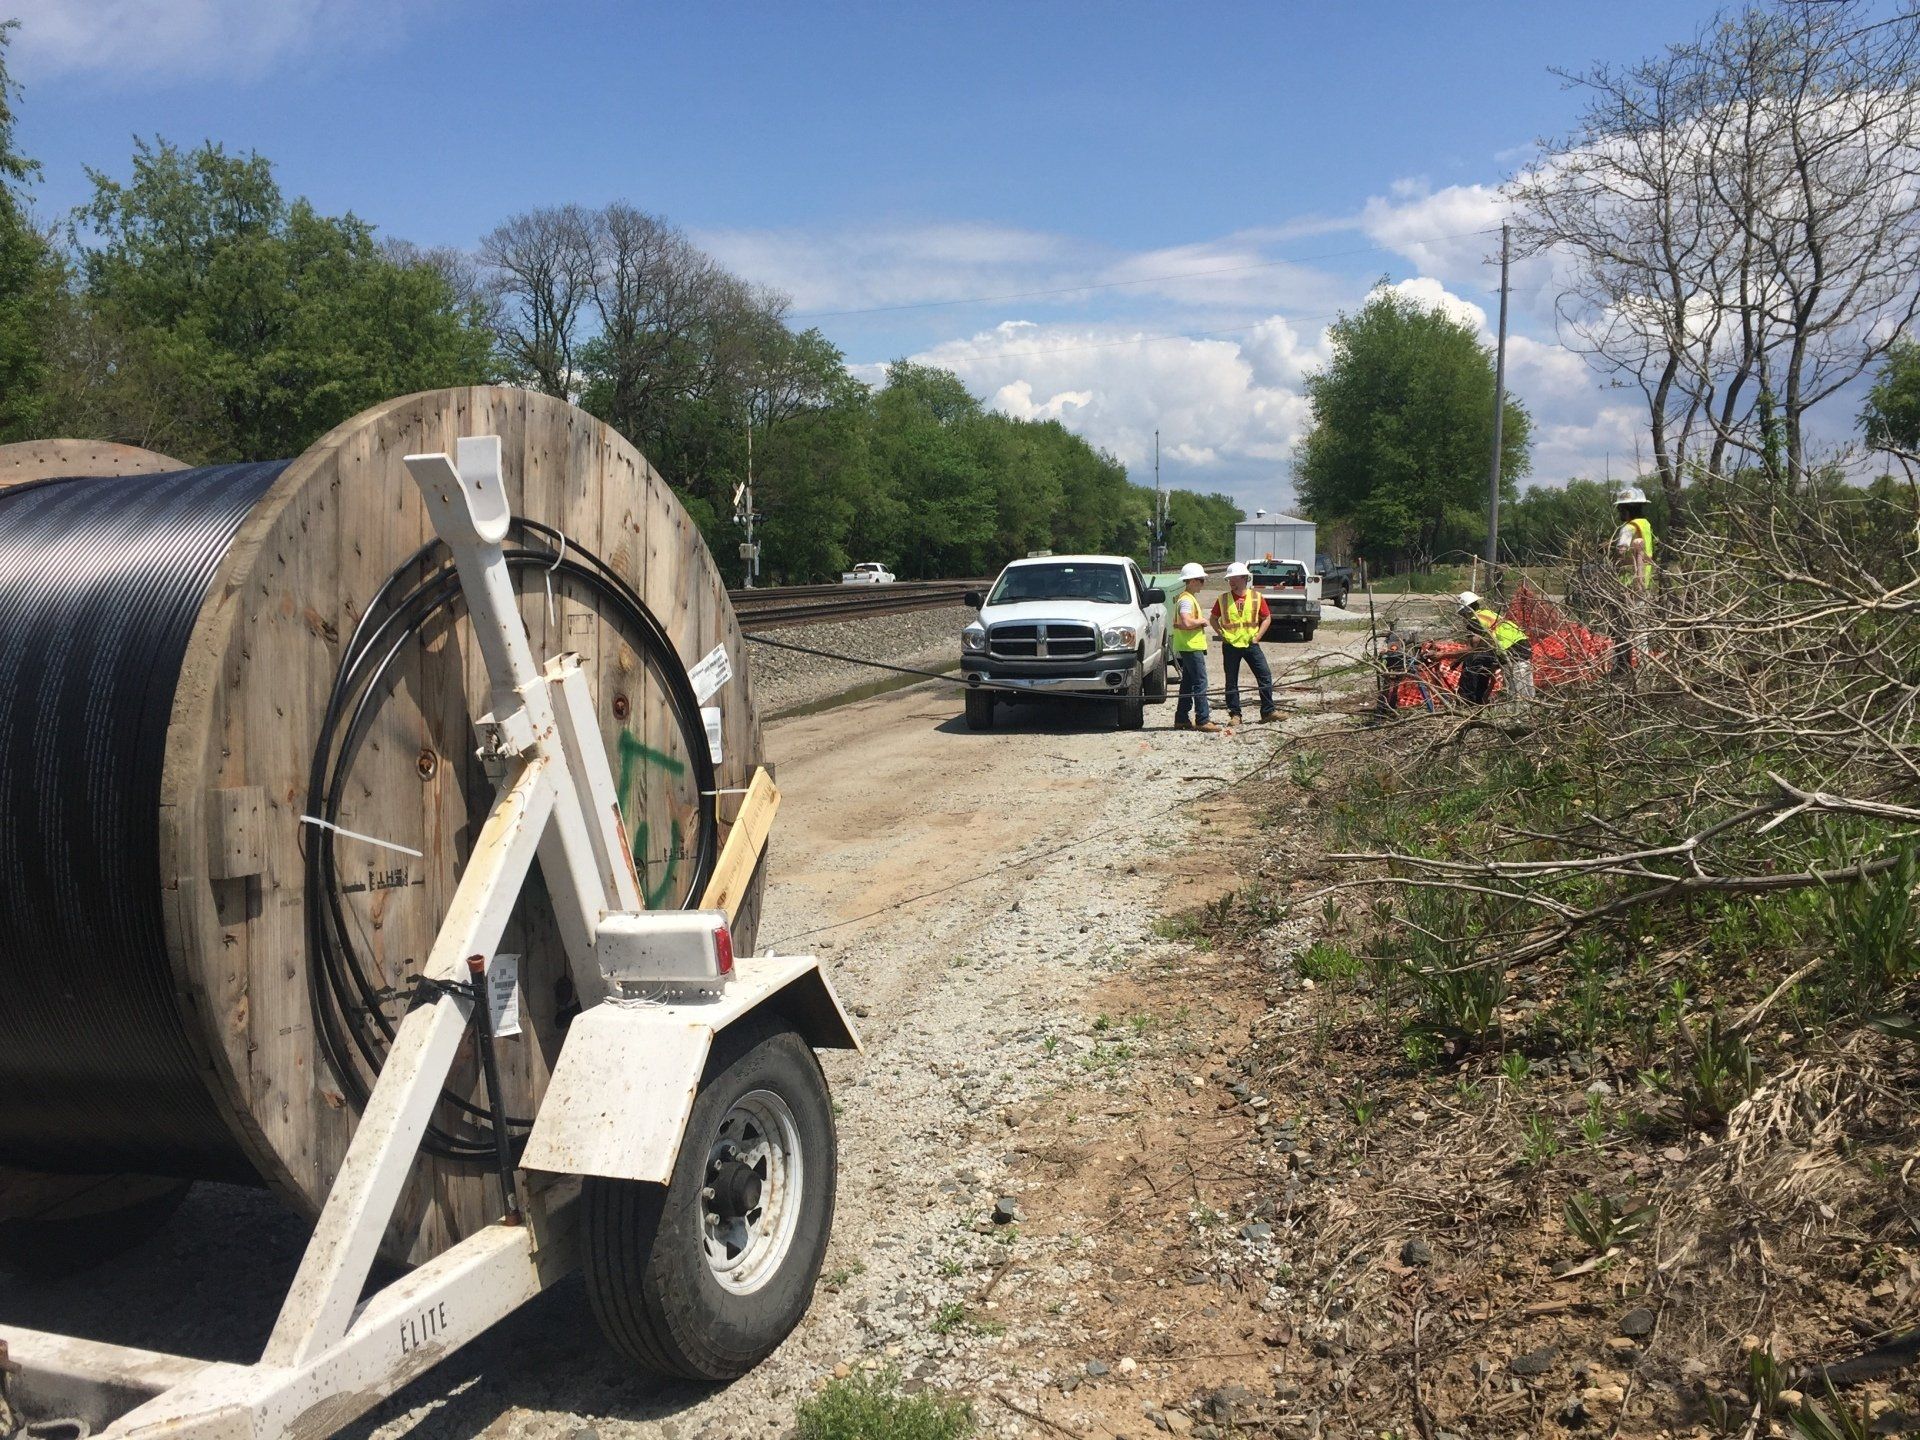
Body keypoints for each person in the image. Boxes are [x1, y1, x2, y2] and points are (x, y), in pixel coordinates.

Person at [1210, 561, 1278, 723]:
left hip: (1250, 643)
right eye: (1229, 579)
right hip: (1230, 645)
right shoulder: (1223, 599)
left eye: (1233, 578)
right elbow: (1213, 619)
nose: (1231, 581)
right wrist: (1222, 634)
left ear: (1243, 578)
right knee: (1231, 680)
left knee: (1265, 676)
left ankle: (1268, 711)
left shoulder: (1256, 597)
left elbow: (1266, 618)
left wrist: (1257, 637)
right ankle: (1235, 714)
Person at [1455, 590, 1531, 704]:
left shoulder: (1475, 619)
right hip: (1523, 646)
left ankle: (1469, 702)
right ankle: (1479, 700)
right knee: (1526, 689)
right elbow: (1482, 645)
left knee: (1518, 693)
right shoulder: (1487, 614)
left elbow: (1472, 647)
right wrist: (1459, 659)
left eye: (1462, 614)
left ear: (1465, 611)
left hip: (1512, 650)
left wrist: (1441, 655)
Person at [1170, 562, 1219, 732]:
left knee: (1188, 683)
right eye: (1200, 580)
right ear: (1191, 581)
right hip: (1191, 646)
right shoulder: (1186, 600)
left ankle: (1181, 718)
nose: (1202, 583)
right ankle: (1202, 719)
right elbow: (1186, 621)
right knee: (1200, 682)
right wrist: (1202, 621)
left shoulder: (1187, 598)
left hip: (1187, 646)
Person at [1611, 485, 1655, 674]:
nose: (1619, 512)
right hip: (1645, 581)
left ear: (1626, 509)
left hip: (1629, 583)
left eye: (1620, 509)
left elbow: (1621, 552)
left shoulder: (1628, 527)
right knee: (1642, 627)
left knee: (1623, 626)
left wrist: (1608, 553)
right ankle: (1644, 666)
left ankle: (1624, 668)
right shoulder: (1645, 524)